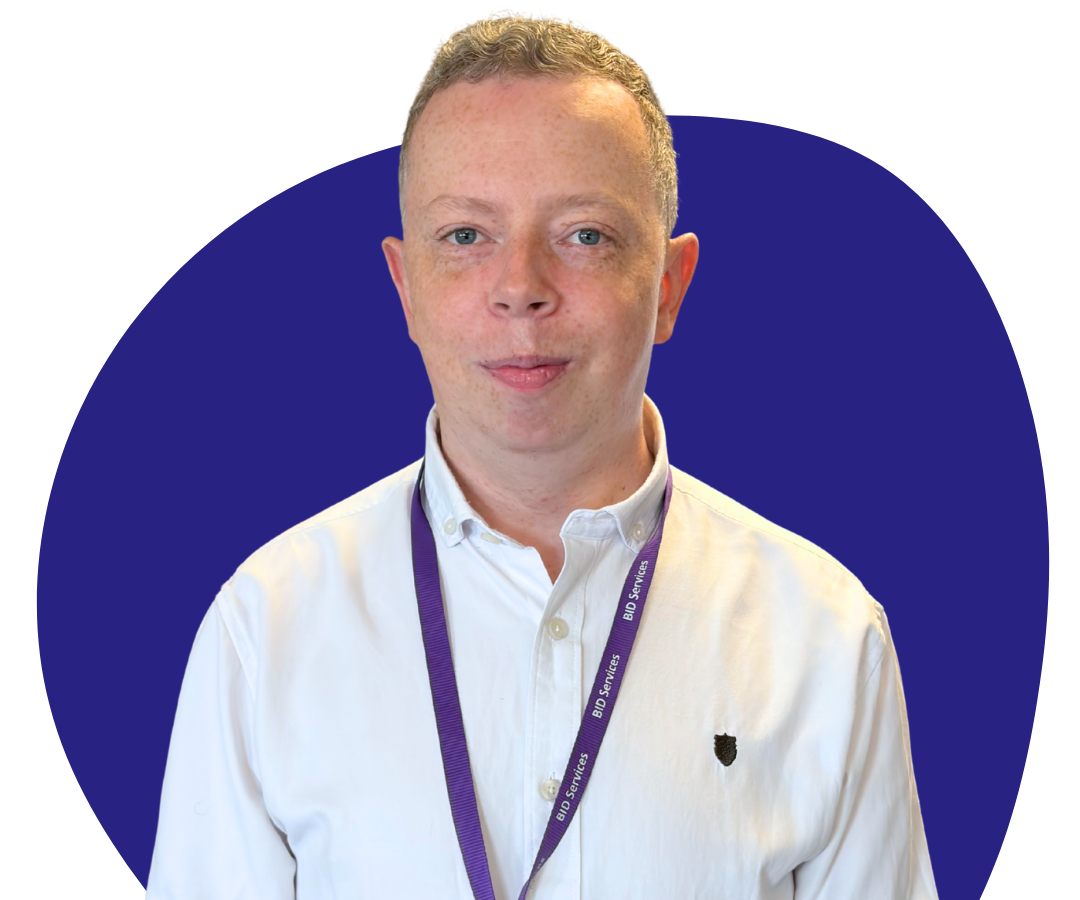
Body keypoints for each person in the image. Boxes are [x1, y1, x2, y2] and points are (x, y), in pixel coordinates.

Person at [146, 14, 938, 900]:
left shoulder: (825, 637)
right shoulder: (265, 630)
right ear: (406, 289)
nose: (521, 286)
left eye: (585, 235)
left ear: (669, 287)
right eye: (466, 236)